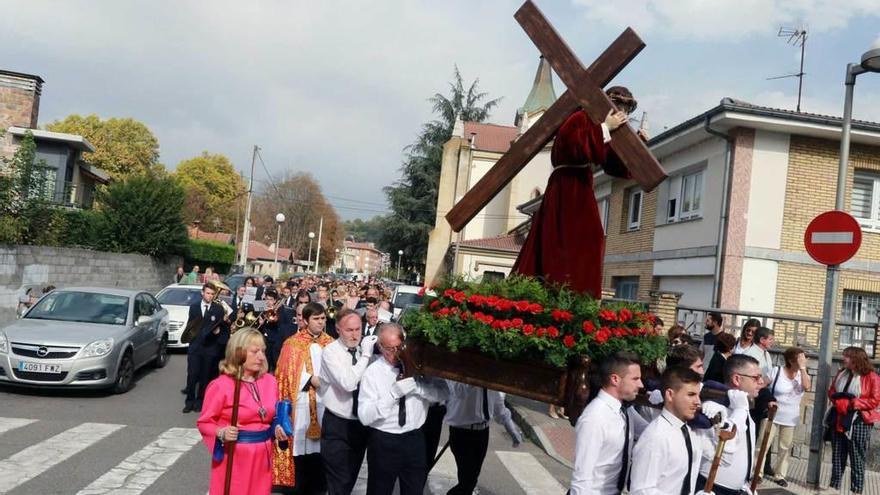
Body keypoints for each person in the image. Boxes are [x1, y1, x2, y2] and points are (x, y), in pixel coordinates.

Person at [512, 86, 643, 298]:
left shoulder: (610, 128)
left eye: (627, 110)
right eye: (620, 107)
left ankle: (579, 297)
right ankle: (555, 291)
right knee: (562, 240)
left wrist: (637, 144)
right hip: (566, 186)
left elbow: (613, 164)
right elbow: (571, 145)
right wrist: (604, 128)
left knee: (593, 238)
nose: (623, 114)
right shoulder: (579, 118)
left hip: (582, 185)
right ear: (608, 103)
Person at [358, 323, 447, 495]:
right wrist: (392, 395)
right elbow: (364, 416)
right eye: (389, 349)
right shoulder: (373, 372)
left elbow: (443, 393)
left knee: (414, 489)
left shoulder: (419, 366)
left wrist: (418, 388)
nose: (395, 353)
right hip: (384, 441)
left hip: (414, 438)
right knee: (379, 490)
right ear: (380, 347)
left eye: (399, 347)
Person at [197, 328, 286, 495]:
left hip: (263, 456)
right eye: (254, 351)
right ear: (238, 353)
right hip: (235, 457)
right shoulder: (221, 385)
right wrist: (221, 432)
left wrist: (277, 427)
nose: (261, 356)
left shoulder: (270, 381)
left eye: (263, 351)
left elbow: (272, 416)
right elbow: (204, 422)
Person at [272, 302, 335, 493]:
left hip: (324, 403)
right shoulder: (292, 343)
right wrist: (309, 380)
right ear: (305, 320)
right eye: (316, 319)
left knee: (320, 454)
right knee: (300, 452)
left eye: (323, 318)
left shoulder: (331, 343)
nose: (320, 322)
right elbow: (284, 374)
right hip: (301, 403)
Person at [569, 351, 649, 494]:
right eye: (635, 379)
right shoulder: (594, 418)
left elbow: (650, 433)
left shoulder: (626, 411)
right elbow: (581, 478)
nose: (641, 384)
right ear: (615, 379)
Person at [318, 310, 378, 495]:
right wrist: (366, 356)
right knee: (339, 481)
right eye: (349, 330)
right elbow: (348, 383)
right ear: (338, 329)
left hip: (360, 424)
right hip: (338, 424)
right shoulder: (330, 351)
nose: (354, 335)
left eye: (358, 329)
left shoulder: (364, 348)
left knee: (350, 478)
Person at [630, 366, 705, 495]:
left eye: (699, 395)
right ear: (670, 395)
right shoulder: (656, 437)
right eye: (691, 395)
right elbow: (641, 491)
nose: (698, 402)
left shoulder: (688, 431)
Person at [695, 354, 763, 495]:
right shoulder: (714, 407)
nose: (761, 382)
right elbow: (728, 445)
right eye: (756, 378)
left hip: (738, 489)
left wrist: (746, 485)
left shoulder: (744, 405)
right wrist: (740, 409)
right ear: (737, 379)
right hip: (713, 487)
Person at [444, 381, 523, 495]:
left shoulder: (489, 376)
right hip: (462, 432)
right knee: (468, 481)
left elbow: (497, 404)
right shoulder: (459, 368)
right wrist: (477, 375)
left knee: (471, 478)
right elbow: (459, 390)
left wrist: (510, 427)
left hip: (483, 432)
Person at [825, 346, 880, 494]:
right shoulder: (842, 373)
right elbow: (832, 391)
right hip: (839, 417)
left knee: (857, 457)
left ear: (856, 359)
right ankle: (833, 487)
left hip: (859, 421)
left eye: (847, 356)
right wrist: (838, 402)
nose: (844, 359)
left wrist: (852, 404)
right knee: (837, 455)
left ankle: (856, 490)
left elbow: (874, 401)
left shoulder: (872, 377)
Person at [765, 347, 810, 488]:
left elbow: (807, 386)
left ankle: (780, 475)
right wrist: (767, 399)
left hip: (790, 417)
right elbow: (763, 386)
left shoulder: (802, 374)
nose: (804, 361)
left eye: (804, 358)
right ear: (791, 360)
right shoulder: (776, 371)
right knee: (763, 444)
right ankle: (757, 473)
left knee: (785, 447)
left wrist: (802, 369)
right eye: (800, 358)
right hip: (772, 414)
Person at [184, 283, 228, 413]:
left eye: (212, 294)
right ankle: (189, 401)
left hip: (210, 347)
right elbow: (190, 326)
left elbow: (224, 328)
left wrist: (218, 331)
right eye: (207, 293)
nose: (210, 296)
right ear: (202, 293)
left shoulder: (218, 309)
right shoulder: (194, 307)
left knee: (205, 376)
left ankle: (199, 401)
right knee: (192, 375)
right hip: (195, 346)